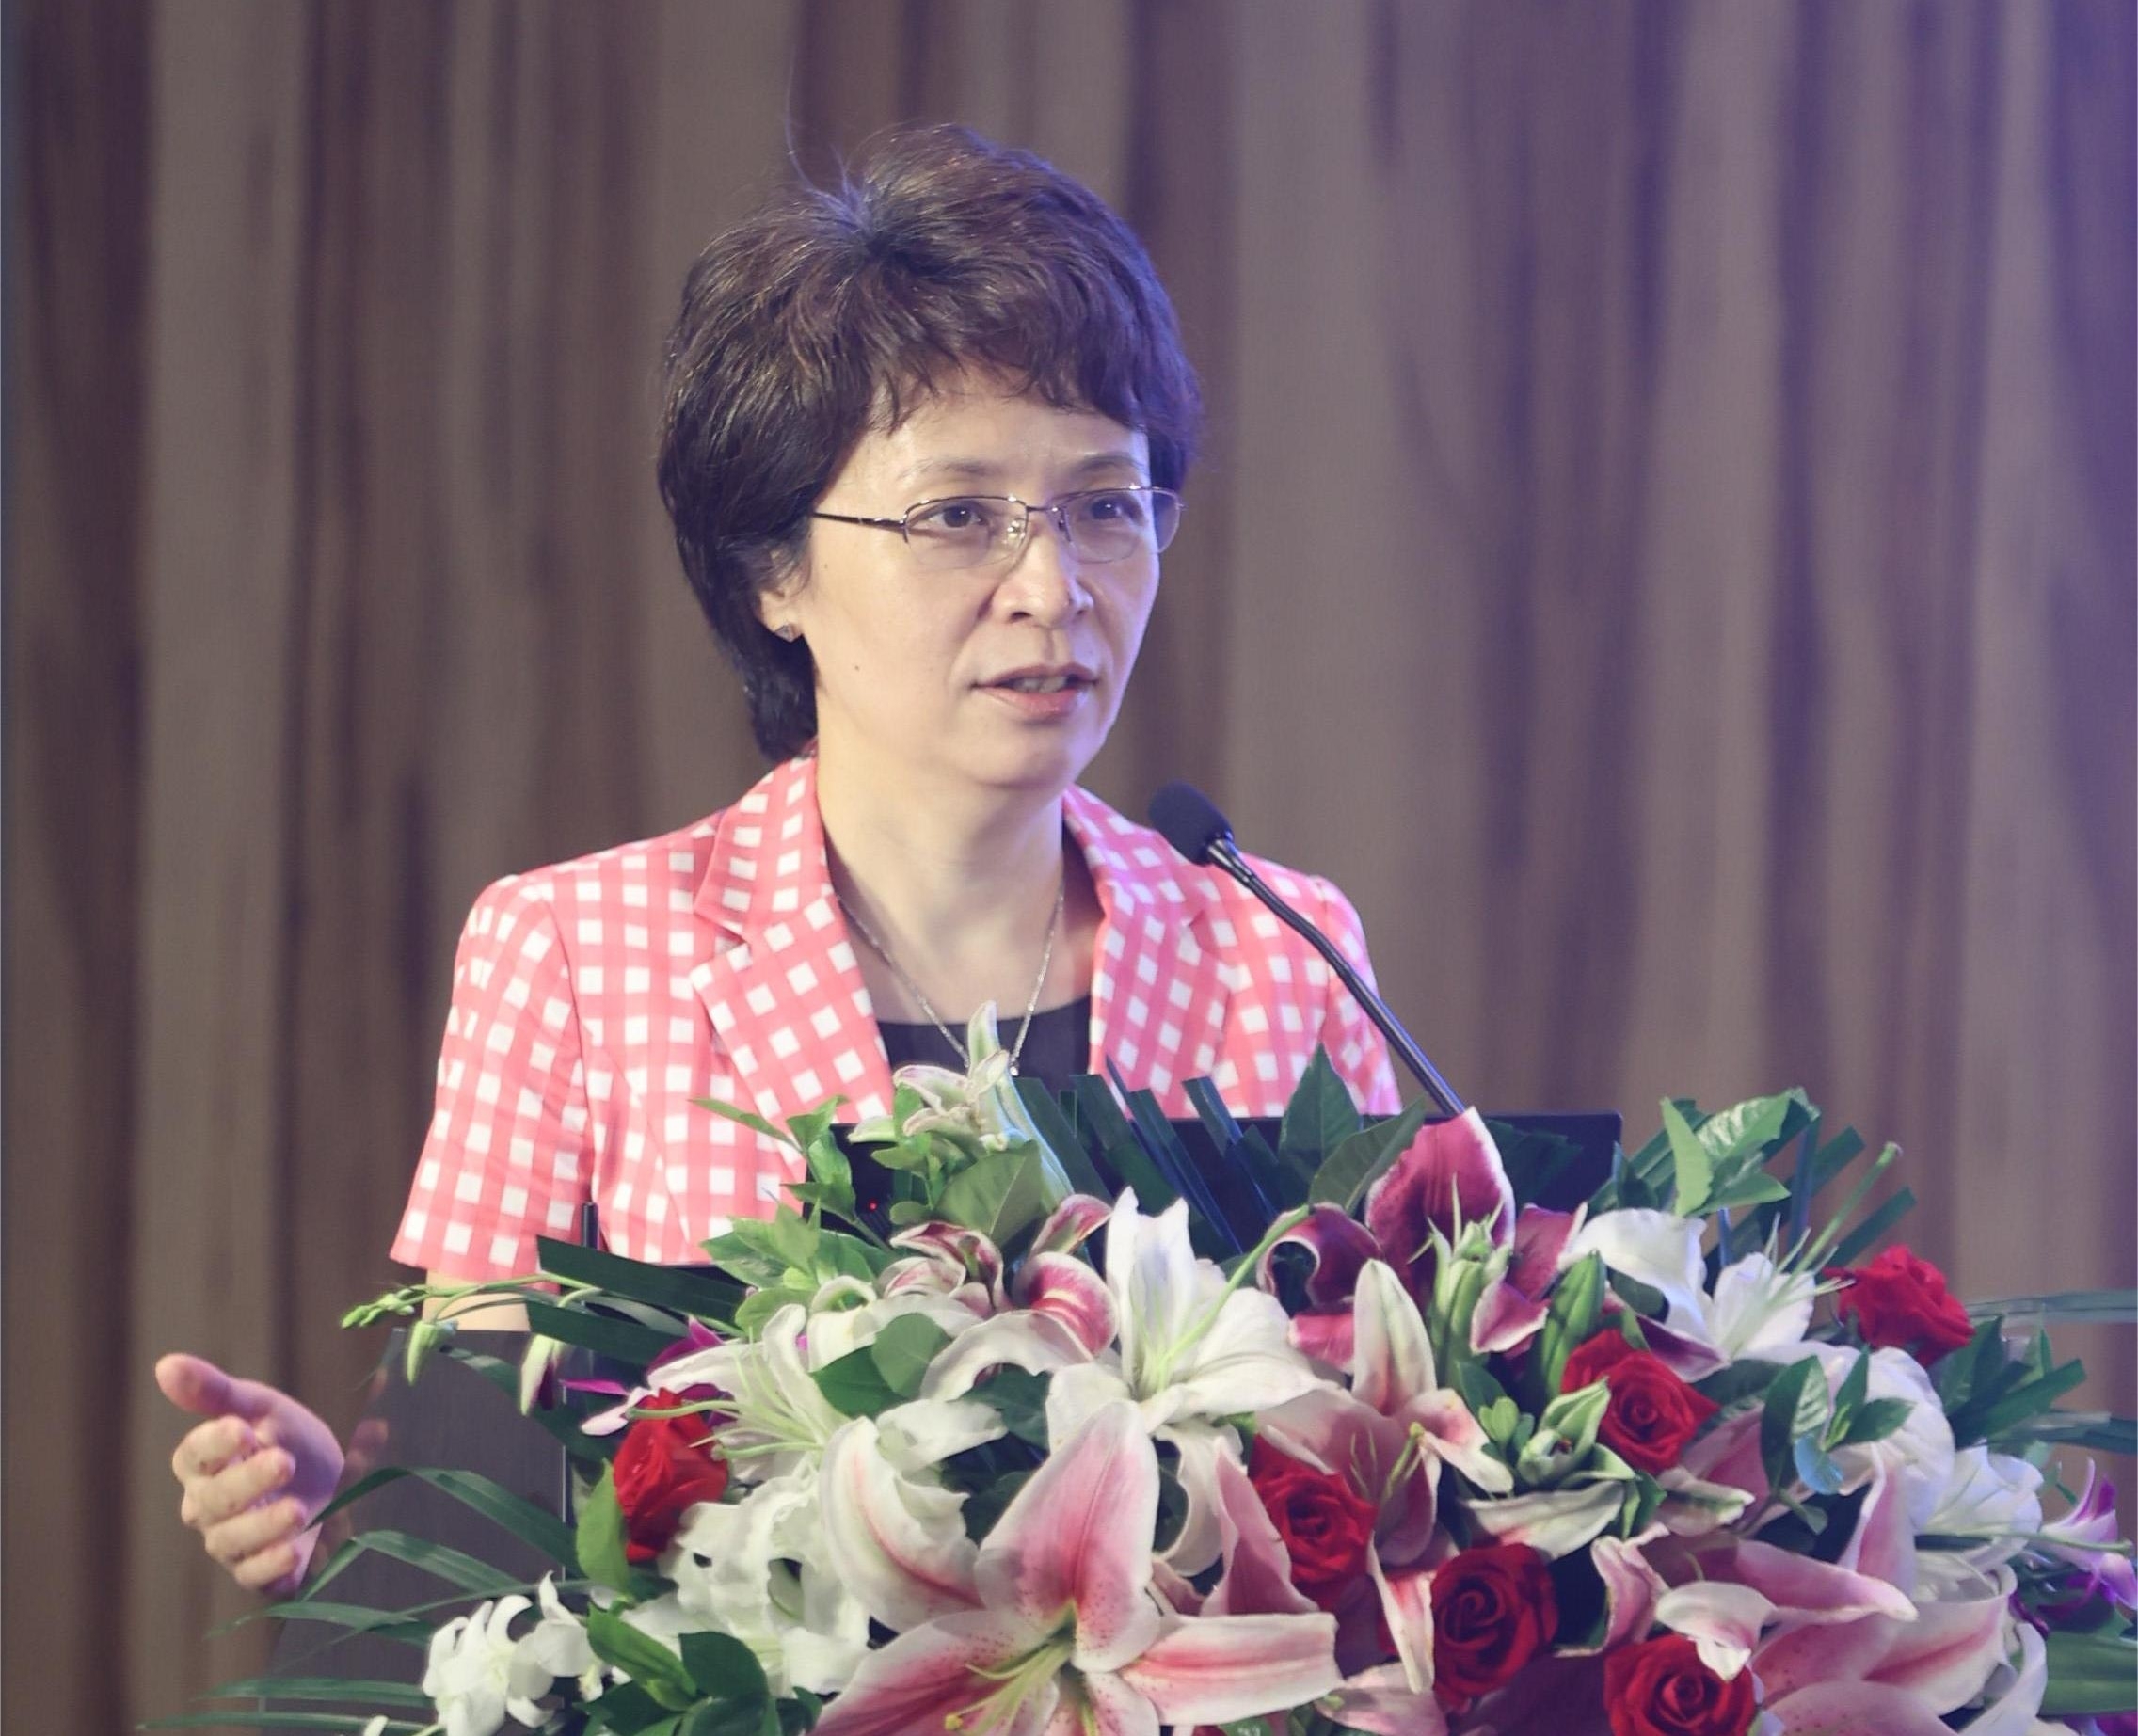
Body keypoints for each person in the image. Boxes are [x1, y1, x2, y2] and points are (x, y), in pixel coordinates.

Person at [158, 123, 1400, 1598]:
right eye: (958, 515)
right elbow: (477, 1511)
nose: (1053, 586)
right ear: (775, 571)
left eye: (1105, 505)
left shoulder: (1276, 949)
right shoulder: (578, 958)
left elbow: (1384, 1480)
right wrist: (364, 1513)